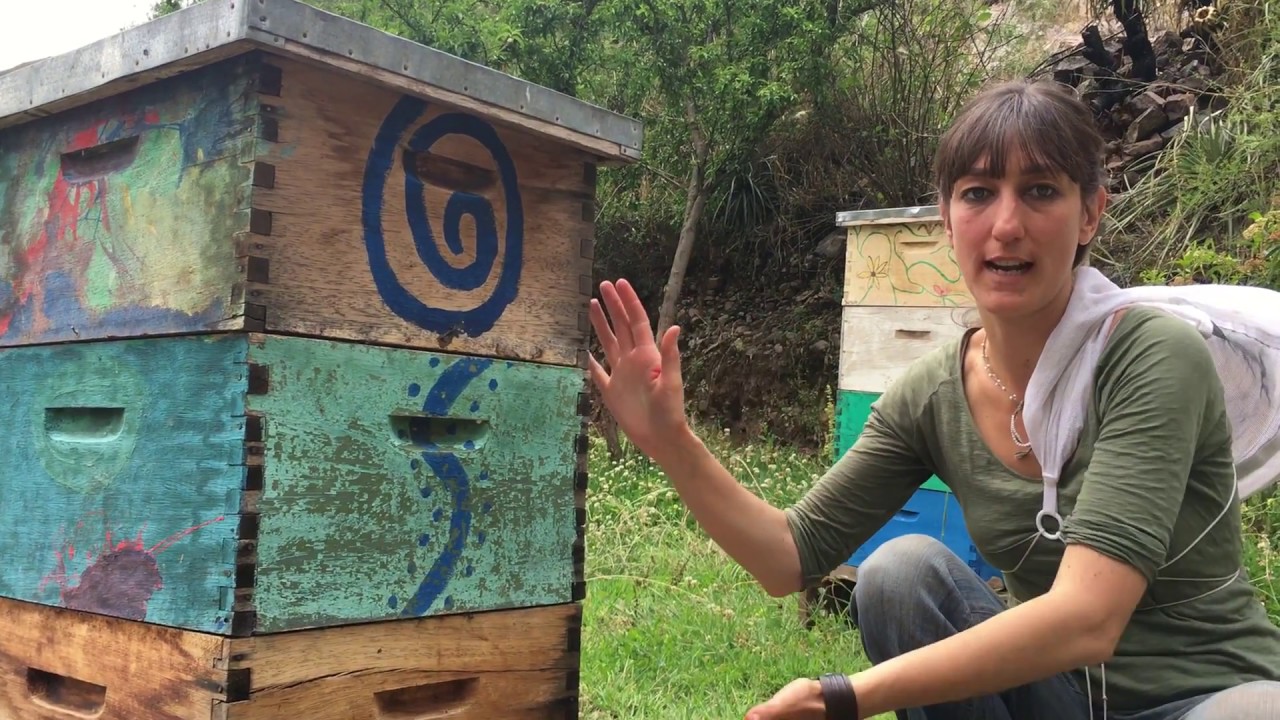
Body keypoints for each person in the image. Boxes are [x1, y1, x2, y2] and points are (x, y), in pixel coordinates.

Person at [586, 78, 1280, 720]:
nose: (1006, 224)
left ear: (1090, 213)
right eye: (978, 193)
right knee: (898, 573)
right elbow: (787, 556)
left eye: (1040, 191)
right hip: (1056, 700)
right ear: (946, 219)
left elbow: (1088, 619)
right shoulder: (933, 394)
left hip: (1203, 697)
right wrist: (670, 441)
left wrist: (846, 696)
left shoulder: (1150, 355)